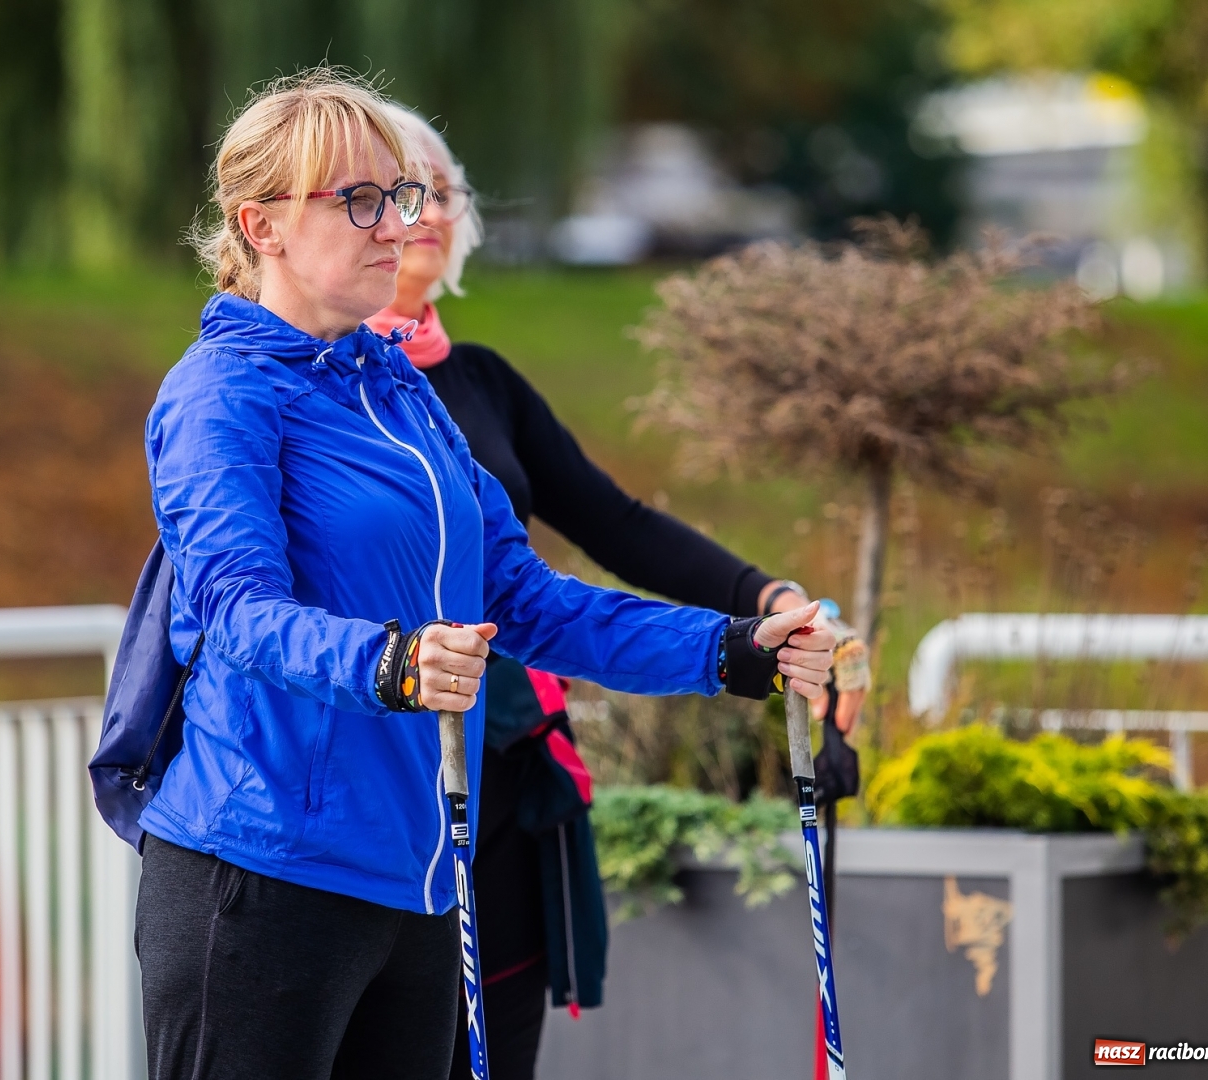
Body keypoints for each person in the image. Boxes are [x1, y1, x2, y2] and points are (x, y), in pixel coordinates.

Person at [133, 68, 837, 1080]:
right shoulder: (220, 394)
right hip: (259, 872)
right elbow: (236, 612)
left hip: (419, 882)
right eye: (358, 200)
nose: (395, 225)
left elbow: (523, 600)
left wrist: (729, 650)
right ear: (263, 226)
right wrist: (393, 663)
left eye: (403, 196)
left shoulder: (403, 397)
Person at [364, 106, 870, 1080]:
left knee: (498, 1049)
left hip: (506, 762)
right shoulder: (331, 390)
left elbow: (616, 524)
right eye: (393, 188)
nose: (422, 209)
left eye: (442, 188)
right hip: (391, 758)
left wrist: (768, 599)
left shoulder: (482, 381)